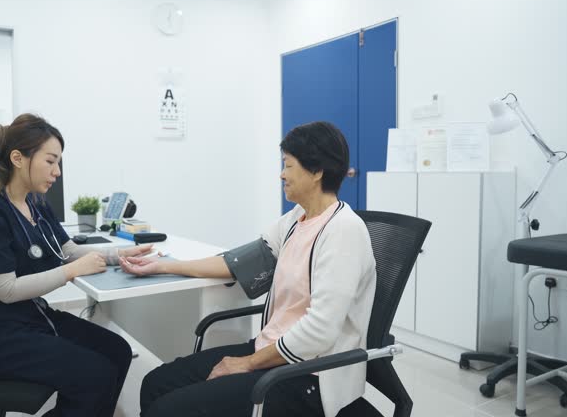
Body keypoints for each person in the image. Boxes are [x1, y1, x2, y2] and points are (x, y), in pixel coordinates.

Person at [119, 121, 377, 417]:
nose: (282, 174)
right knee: (155, 383)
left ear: (317, 171)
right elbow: (238, 263)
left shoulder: (343, 231)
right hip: (269, 352)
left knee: (167, 410)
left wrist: (244, 364)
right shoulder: (297, 218)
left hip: (309, 376)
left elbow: (319, 332)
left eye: (288, 165)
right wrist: (162, 266)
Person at [0, 113, 152, 417]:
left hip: (29, 318)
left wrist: (121, 255)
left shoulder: (35, 204)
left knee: (117, 351)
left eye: (59, 163)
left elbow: (67, 250)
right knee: (93, 375)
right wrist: (70, 272)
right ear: (18, 158)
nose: (57, 172)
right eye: (50, 161)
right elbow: (6, 290)